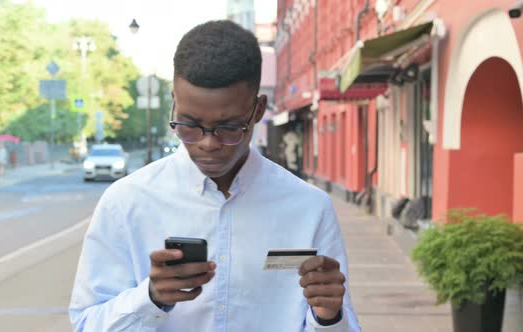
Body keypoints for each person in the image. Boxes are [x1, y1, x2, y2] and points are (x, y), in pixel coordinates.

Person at [69, 20, 360, 332]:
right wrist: (150, 298)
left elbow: (340, 322)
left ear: (258, 110)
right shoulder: (125, 202)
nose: (208, 143)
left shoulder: (309, 208)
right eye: (189, 124)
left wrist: (328, 318)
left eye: (230, 127)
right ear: (174, 102)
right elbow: (87, 323)